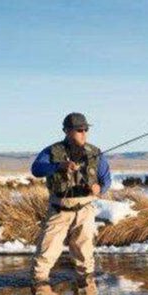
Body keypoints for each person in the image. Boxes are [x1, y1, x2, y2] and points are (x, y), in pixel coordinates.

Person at [30, 112, 111, 282]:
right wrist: (59, 166)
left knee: (85, 257)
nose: (84, 133)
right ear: (66, 131)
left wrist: (99, 188)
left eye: (86, 129)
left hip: (85, 210)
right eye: (79, 130)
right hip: (59, 209)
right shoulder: (52, 152)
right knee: (45, 255)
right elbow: (36, 169)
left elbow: (106, 180)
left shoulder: (95, 153)